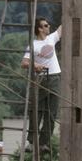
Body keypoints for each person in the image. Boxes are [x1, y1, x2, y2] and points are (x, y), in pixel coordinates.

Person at [21, 17, 62, 152]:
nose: (48, 26)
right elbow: (24, 63)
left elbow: (63, 28)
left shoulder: (52, 38)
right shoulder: (32, 45)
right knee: (36, 111)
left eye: (48, 25)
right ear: (39, 29)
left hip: (55, 77)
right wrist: (35, 64)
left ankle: (44, 142)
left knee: (51, 113)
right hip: (41, 80)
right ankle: (32, 142)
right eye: (45, 25)